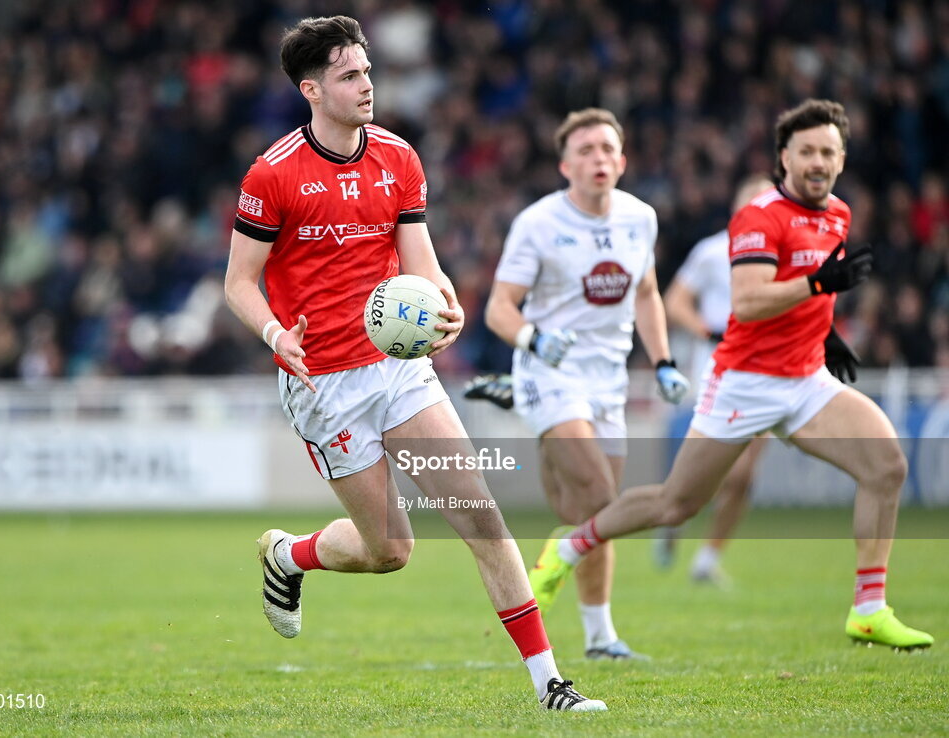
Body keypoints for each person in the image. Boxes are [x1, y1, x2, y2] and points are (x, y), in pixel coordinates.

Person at [222, 16, 605, 711]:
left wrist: (446, 305)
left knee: (482, 520)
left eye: (367, 71)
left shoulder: (397, 156)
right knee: (390, 550)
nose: (366, 84)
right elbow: (239, 282)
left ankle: (550, 683)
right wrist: (276, 334)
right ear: (312, 89)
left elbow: (419, 262)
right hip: (323, 383)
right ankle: (290, 556)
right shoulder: (272, 174)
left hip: (398, 370)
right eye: (348, 75)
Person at [527, 99, 933, 651]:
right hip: (746, 381)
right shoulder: (759, 216)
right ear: (784, 157)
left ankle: (868, 608)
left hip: (807, 377)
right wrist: (819, 284)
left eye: (829, 152)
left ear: (841, 159)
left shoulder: (837, 212)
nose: (818, 162)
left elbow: (815, 287)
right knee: (677, 503)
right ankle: (570, 547)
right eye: (807, 151)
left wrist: (828, 333)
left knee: (887, 464)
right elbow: (749, 300)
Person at [484, 108, 690, 660]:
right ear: (564, 164)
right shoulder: (539, 223)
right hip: (548, 374)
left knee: (590, 515)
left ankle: (600, 638)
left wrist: (664, 360)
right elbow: (498, 308)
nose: (598, 159)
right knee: (602, 499)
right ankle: (562, 557)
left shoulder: (640, 218)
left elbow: (646, 293)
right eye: (585, 150)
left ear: (622, 161)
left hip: (609, 382)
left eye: (606, 149)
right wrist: (532, 338)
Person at [656, 174, 775, 585]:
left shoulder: (781, 255)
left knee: (745, 475)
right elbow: (674, 301)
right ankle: (674, 507)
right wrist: (709, 331)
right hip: (719, 369)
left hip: (767, 372)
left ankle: (707, 556)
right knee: (721, 468)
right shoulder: (712, 252)